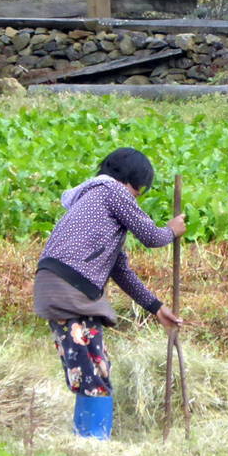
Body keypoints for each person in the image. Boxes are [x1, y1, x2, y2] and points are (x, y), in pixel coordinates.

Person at [34, 148, 186, 438]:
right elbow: (153, 237)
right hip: (69, 287)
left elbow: (120, 270)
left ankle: (93, 439)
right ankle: (92, 441)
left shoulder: (97, 205)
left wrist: (155, 307)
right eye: (141, 192)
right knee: (90, 372)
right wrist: (172, 230)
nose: (137, 198)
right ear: (136, 183)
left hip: (70, 287)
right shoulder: (112, 191)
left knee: (96, 366)